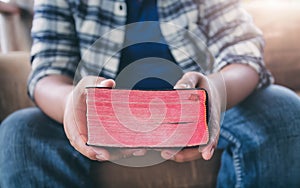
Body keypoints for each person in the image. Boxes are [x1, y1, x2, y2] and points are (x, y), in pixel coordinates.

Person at [0, 0, 300, 187]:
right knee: (20, 131)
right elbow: (48, 72)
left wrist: (216, 92)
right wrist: (71, 105)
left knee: (283, 109)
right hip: (98, 119)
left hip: (206, 110)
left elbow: (243, 53)